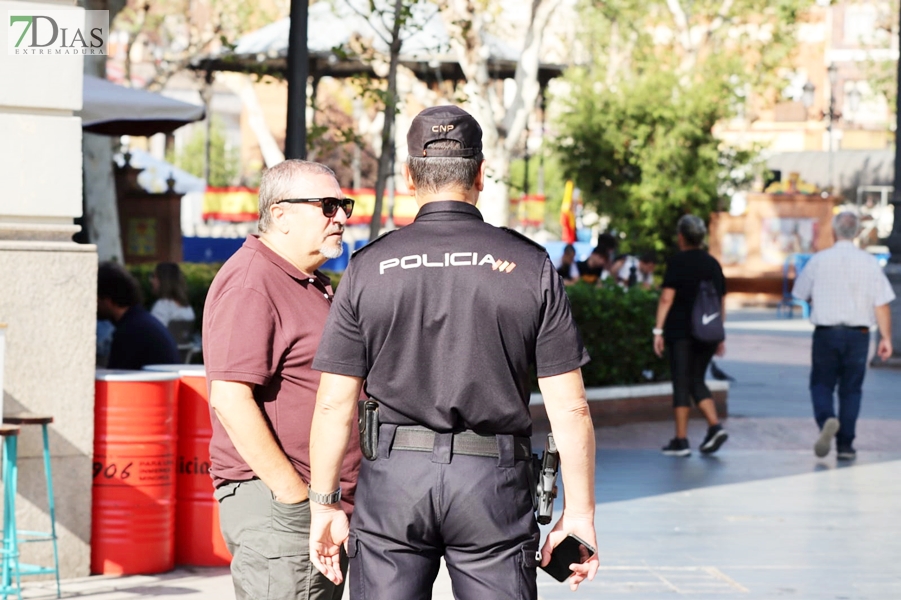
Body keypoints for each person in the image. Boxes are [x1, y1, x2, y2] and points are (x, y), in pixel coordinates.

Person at [307, 105, 599, 599]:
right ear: (482, 174)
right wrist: (581, 515)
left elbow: (334, 403)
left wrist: (324, 504)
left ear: (408, 176)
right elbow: (569, 406)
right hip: (493, 484)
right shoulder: (530, 265)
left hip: (394, 483)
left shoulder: (369, 266)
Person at [202, 160, 362, 600]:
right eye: (328, 206)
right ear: (281, 213)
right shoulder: (252, 281)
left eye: (344, 205)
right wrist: (296, 498)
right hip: (280, 507)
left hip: (313, 505)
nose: (342, 218)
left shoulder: (303, 280)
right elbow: (230, 399)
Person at [791, 211, 895, 460]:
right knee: (851, 390)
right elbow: (881, 304)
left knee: (821, 383)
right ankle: (846, 445)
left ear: (834, 232)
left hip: (826, 333)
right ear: (857, 232)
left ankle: (827, 418)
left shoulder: (819, 260)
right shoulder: (869, 262)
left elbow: (799, 292)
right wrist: (886, 338)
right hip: (858, 334)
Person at [653, 215, 729, 457]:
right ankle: (715, 427)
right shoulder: (712, 264)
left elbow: (667, 298)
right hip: (708, 333)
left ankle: (681, 440)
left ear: (681, 237)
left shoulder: (678, 262)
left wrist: (658, 330)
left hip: (681, 332)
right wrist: (719, 333)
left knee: (682, 383)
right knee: (696, 379)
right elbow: (720, 302)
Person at [97, 261, 180, 369]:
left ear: (107, 300)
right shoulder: (140, 321)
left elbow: (118, 378)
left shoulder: (129, 331)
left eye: (96, 298)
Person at [149, 262, 195, 327]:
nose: (151, 280)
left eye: (154, 277)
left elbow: (154, 333)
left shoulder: (162, 306)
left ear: (164, 280)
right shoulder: (187, 308)